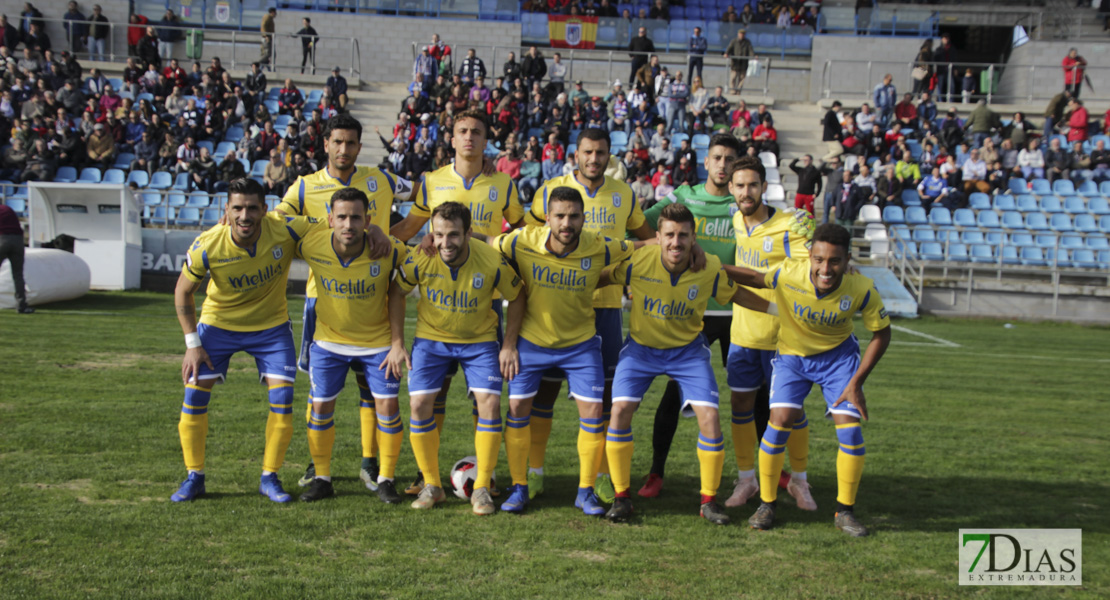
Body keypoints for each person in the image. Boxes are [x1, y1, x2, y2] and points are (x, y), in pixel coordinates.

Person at [600, 203, 770, 524]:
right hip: (641, 350)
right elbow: (603, 277)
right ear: (658, 237)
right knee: (620, 410)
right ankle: (621, 497)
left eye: (683, 235)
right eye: (669, 235)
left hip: (688, 352)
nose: (675, 242)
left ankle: (708, 501)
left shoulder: (709, 267)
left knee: (710, 417)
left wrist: (777, 312)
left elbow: (736, 294)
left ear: (694, 239)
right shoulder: (638, 261)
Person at [274, 114, 413, 492]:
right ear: (326, 145)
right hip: (324, 303)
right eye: (337, 142)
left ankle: (373, 463)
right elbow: (278, 221)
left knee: (374, 393)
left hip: (375, 298)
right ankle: (318, 464)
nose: (344, 150)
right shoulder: (304, 187)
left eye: (351, 143)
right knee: (321, 391)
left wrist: (390, 231)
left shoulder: (382, 180)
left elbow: (424, 195)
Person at [727, 224, 891, 538]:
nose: (825, 268)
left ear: (847, 260)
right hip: (792, 357)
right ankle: (767, 504)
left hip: (838, 361)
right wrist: (711, 266)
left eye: (834, 261)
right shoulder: (790, 273)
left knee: (851, 433)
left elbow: (881, 333)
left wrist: (857, 382)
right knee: (780, 421)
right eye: (819, 259)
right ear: (810, 255)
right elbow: (753, 277)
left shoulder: (862, 288)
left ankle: (845, 511)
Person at [388, 110, 522, 496]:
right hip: (438, 298)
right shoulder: (432, 181)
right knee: (434, 394)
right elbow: (412, 227)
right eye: (462, 131)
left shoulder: (503, 184)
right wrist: (375, 241)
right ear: (451, 138)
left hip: (484, 296)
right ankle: (425, 474)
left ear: (485, 140)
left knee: (484, 398)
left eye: (476, 132)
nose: (469, 138)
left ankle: (485, 475)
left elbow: (522, 230)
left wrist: (482, 242)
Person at [170, 179, 328, 503]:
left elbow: (332, 222)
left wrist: (378, 232)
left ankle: (269, 477)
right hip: (217, 326)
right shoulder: (207, 244)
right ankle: (194, 477)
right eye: (238, 208)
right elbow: (182, 291)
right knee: (194, 398)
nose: (245, 215)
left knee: (283, 404)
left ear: (265, 210)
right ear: (225, 211)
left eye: (252, 208)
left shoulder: (284, 228)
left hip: (271, 329)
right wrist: (192, 344)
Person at [523, 128, 657, 503]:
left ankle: (599, 476)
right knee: (543, 392)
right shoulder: (552, 190)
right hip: (555, 305)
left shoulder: (624, 194)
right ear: (575, 154)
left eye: (600, 153)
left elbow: (644, 240)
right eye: (587, 152)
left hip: (605, 307)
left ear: (609, 155)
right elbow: (531, 240)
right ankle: (534, 474)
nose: (594, 159)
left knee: (604, 398)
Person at [492, 187, 637, 514]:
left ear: (584, 218)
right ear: (547, 217)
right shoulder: (521, 240)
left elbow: (640, 247)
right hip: (531, 343)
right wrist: (432, 240)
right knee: (517, 411)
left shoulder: (599, 245)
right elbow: (484, 241)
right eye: (559, 215)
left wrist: (685, 248)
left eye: (573, 216)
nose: (566, 223)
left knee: (593, 415)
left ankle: (584, 492)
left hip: (581, 347)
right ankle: (519, 487)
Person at [632, 134, 742, 497]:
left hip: (736, 310)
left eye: (730, 159)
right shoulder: (683, 196)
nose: (723, 165)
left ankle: (756, 474)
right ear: (705, 162)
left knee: (752, 394)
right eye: (717, 158)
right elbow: (642, 225)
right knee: (673, 392)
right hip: (694, 311)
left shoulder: (743, 201)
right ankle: (656, 472)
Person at [291, 187, 409, 504]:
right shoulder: (311, 243)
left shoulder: (388, 249)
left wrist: (398, 343)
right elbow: (273, 228)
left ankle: (385, 479)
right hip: (328, 343)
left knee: (388, 408)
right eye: (341, 217)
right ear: (330, 219)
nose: (348, 225)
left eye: (356, 217)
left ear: (367, 220)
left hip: (378, 344)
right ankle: (322, 477)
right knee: (320, 407)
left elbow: (417, 267)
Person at [0, 202, 31, 313]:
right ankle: (22, 305)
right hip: (18, 241)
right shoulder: (8, 209)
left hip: (2, 239)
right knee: (18, 275)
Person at [724, 29, 754, 94]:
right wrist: (726, 53)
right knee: (733, 78)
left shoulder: (747, 42)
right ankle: (732, 91)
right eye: (740, 34)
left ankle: (738, 91)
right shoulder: (734, 41)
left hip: (743, 64)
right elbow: (730, 48)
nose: (742, 35)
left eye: (743, 34)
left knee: (742, 79)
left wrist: (753, 56)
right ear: (738, 34)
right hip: (735, 63)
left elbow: (750, 50)